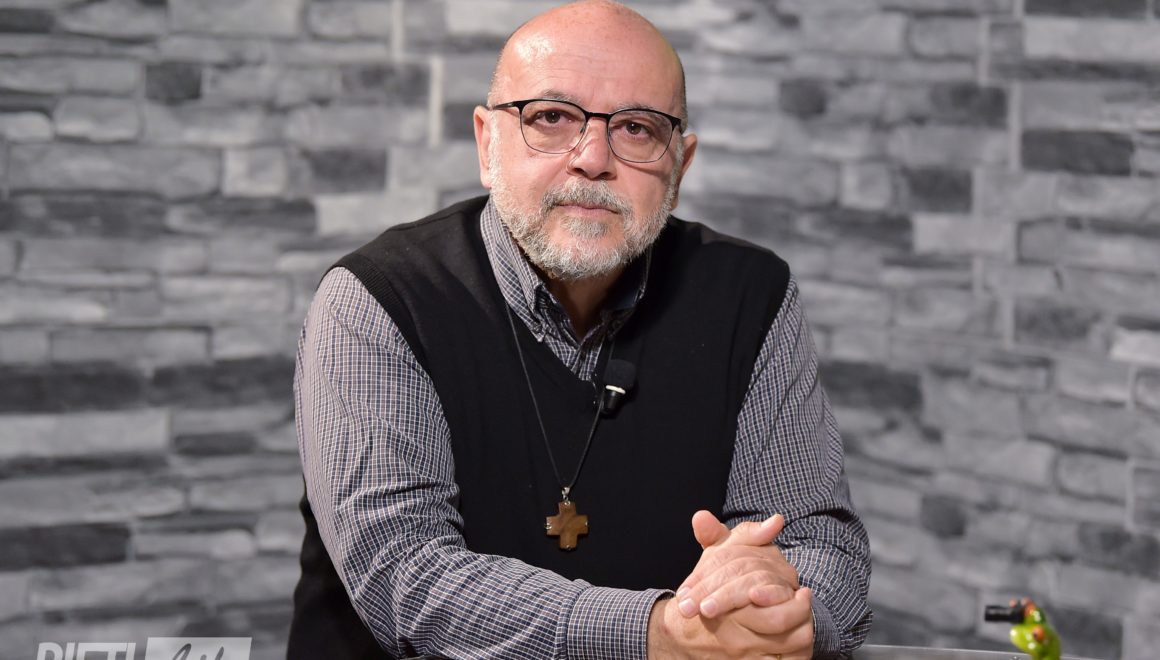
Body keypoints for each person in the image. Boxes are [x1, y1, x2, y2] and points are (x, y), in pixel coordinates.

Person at [290, 1, 872, 658]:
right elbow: (407, 578)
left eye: (637, 128)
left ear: (680, 167)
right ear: (487, 144)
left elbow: (821, 548)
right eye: (550, 118)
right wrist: (658, 635)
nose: (593, 159)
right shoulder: (375, 301)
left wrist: (775, 607)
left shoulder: (753, 296)